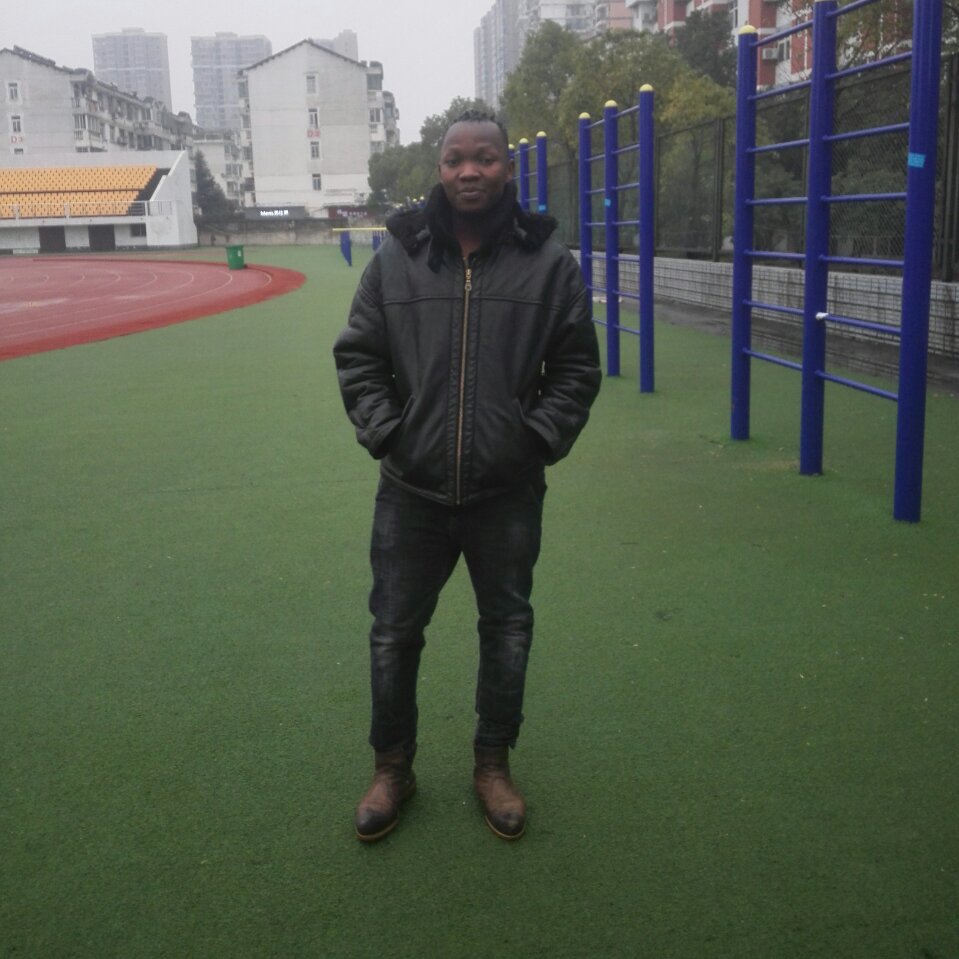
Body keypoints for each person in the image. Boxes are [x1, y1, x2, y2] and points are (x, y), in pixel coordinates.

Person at [333, 110, 601, 843]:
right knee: (394, 633)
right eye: (456, 159)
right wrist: (391, 435)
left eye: (485, 158)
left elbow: (575, 368)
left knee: (506, 628)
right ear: (440, 168)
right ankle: (392, 766)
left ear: (507, 168)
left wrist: (532, 441)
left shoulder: (548, 264)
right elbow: (359, 357)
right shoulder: (399, 257)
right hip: (410, 491)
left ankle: (492, 763)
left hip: (505, 491)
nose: (469, 171)